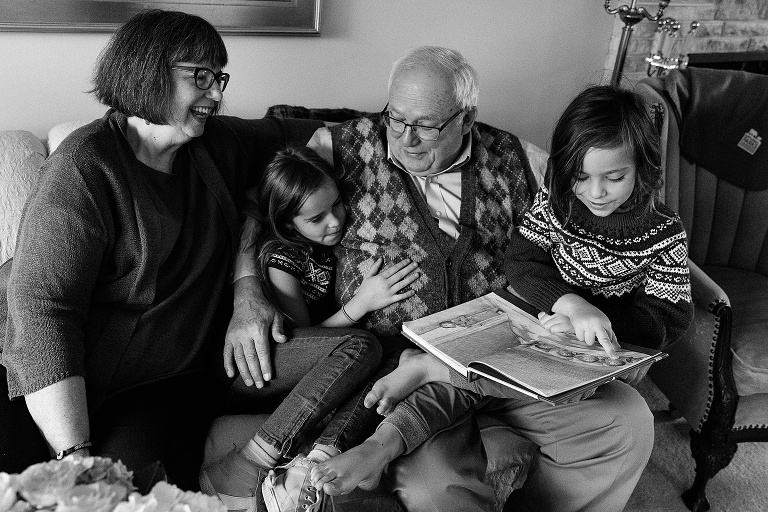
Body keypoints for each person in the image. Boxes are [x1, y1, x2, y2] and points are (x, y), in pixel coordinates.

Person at [0, 9, 369, 495]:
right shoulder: (84, 169)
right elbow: (44, 309)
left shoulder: (219, 146)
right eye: (201, 76)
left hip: (165, 383)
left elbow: (305, 132)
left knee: (144, 492)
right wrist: (74, 453)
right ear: (148, 70)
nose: (216, 94)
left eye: (220, 77)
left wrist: (246, 283)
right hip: (59, 376)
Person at [282, 46, 659, 512]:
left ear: (467, 117)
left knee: (627, 420)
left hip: (511, 355)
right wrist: (246, 294)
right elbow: (266, 206)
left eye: (426, 125)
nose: (406, 139)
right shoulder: (340, 148)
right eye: (395, 119)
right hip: (409, 376)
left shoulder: (521, 159)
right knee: (436, 490)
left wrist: (588, 306)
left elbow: (592, 209)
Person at [200, 145, 419, 512]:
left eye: (337, 205)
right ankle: (250, 460)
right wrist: (360, 304)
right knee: (361, 347)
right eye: (317, 218)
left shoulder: (327, 243)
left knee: (391, 353)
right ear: (288, 224)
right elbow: (308, 338)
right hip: (257, 369)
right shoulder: (281, 258)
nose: (335, 221)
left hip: (299, 364)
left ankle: (319, 461)